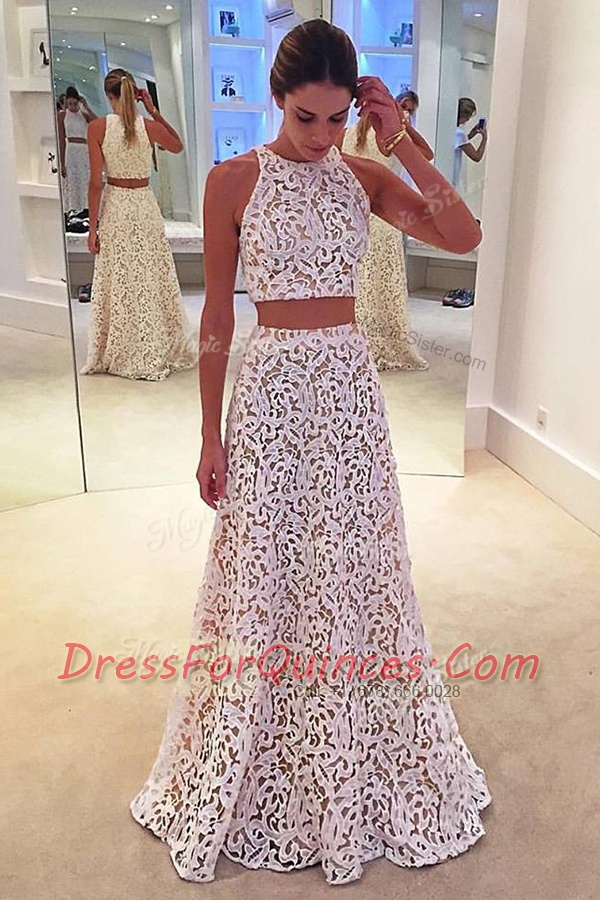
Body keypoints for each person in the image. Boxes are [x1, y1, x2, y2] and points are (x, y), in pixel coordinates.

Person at [129, 21, 491, 884]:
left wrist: (402, 141)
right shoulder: (232, 181)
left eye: (335, 119)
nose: (322, 137)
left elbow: (463, 235)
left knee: (353, 561)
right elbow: (218, 318)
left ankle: (348, 732)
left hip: (348, 393)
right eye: (305, 118)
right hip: (270, 391)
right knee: (266, 563)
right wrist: (209, 431)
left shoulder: (363, 177)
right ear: (276, 98)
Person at [81, 68, 197, 381]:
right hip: (144, 204)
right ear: (135, 94)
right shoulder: (148, 126)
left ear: (109, 95)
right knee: (150, 273)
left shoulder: (97, 128)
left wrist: (92, 228)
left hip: (117, 205)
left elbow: (95, 183)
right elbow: (177, 145)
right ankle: (154, 342)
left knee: (119, 276)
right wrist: (154, 111)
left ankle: (122, 347)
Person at [339, 88, 432, 370]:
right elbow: (426, 155)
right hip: (382, 218)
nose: (406, 112)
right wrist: (405, 127)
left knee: (364, 281)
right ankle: (373, 340)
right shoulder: (392, 139)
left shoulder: (348, 134)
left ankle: (357, 341)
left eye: (410, 110)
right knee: (376, 281)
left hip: (356, 217)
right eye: (403, 107)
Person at [445, 98, 488, 309]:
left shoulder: (450, 131)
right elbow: (477, 156)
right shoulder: (459, 134)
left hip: (446, 182)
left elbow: (460, 141)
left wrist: (471, 135)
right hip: (453, 184)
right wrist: (484, 138)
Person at [57, 85, 97, 217]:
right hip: (71, 151)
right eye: (70, 104)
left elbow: (98, 123)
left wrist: (86, 106)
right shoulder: (62, 115)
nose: (73, 106)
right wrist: (62, 162)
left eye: (75, 103)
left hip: (84, 150)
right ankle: (73, 210)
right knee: (73, 180)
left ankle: (87, 209)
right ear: (66, 103)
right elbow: (61, 140)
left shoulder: (84, 115)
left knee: (86, 180)